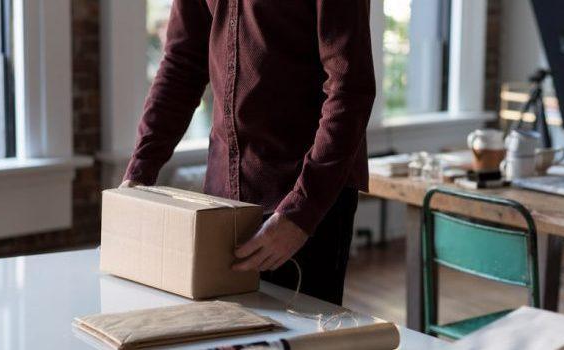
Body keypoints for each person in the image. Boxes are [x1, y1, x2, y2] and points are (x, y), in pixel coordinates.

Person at [120, 0, 375, 306]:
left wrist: (300, 213)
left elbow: (350, 89)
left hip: (305, 197)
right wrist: (138, 174)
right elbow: (182, 64)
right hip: (222, 198)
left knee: (300, 339)